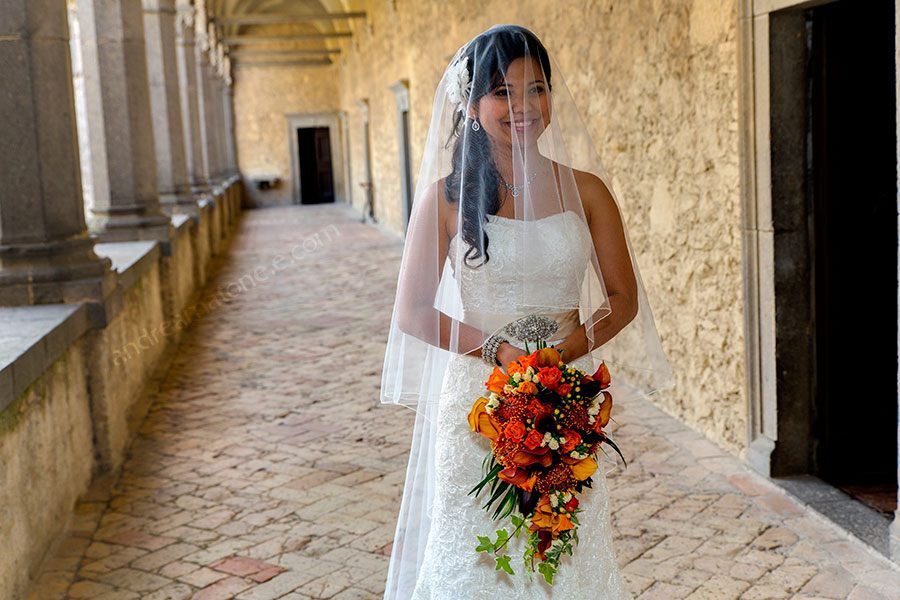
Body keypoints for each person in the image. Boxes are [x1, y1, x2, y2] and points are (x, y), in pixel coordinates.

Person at [380, 25, 674, 599]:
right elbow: (414, 312)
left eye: (536, 89)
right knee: (478, 559)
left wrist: (558, 359)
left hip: (562, 397)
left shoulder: (586, 191)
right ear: (470, 104)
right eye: (503, 93)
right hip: (476, 407)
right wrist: (503, 354)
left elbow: (622, 299)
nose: (524, 107)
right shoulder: (445, 198)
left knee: (563, 549)